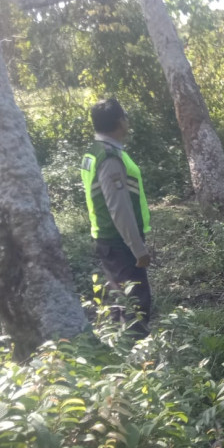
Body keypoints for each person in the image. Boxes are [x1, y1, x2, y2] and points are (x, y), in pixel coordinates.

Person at [80, 98, 153, 338]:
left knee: (120, 299)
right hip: (119, 242)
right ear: (120, 122)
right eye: (126, 117)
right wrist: (138, 248)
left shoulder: (95, 152)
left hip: (106, 238)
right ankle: (140, 359)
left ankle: (120, 350)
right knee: (136, 303)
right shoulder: (110, 158)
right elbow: (118, 208)